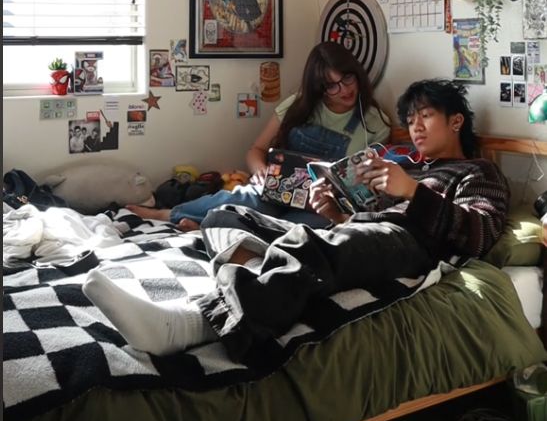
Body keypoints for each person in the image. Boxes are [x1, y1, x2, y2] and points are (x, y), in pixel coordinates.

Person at [83, 78, 510, 363]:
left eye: (426, 116)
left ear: (456, 121)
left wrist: (414, 193)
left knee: (310, 246)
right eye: (410, 119)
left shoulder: (478, 173)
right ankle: (253, 264)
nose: (415, 127)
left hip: (414, 244)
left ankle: (190, 323)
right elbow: (368, 225)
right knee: (223, 214)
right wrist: (338, 211)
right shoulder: (408, 167)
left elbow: (479, 236)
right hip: (367, 231)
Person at [127, 41, 390, 230]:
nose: (344, 90)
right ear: (319, 88)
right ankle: (168, 213)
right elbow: (255, 150)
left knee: (300, 229)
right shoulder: (298, 106)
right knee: (243, 198)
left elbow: (372, 184)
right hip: (280, 191)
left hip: (324, 206)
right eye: (332, 85)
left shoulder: (374, 124)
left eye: (347, 79)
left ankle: (206, 229)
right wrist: (261, 171)